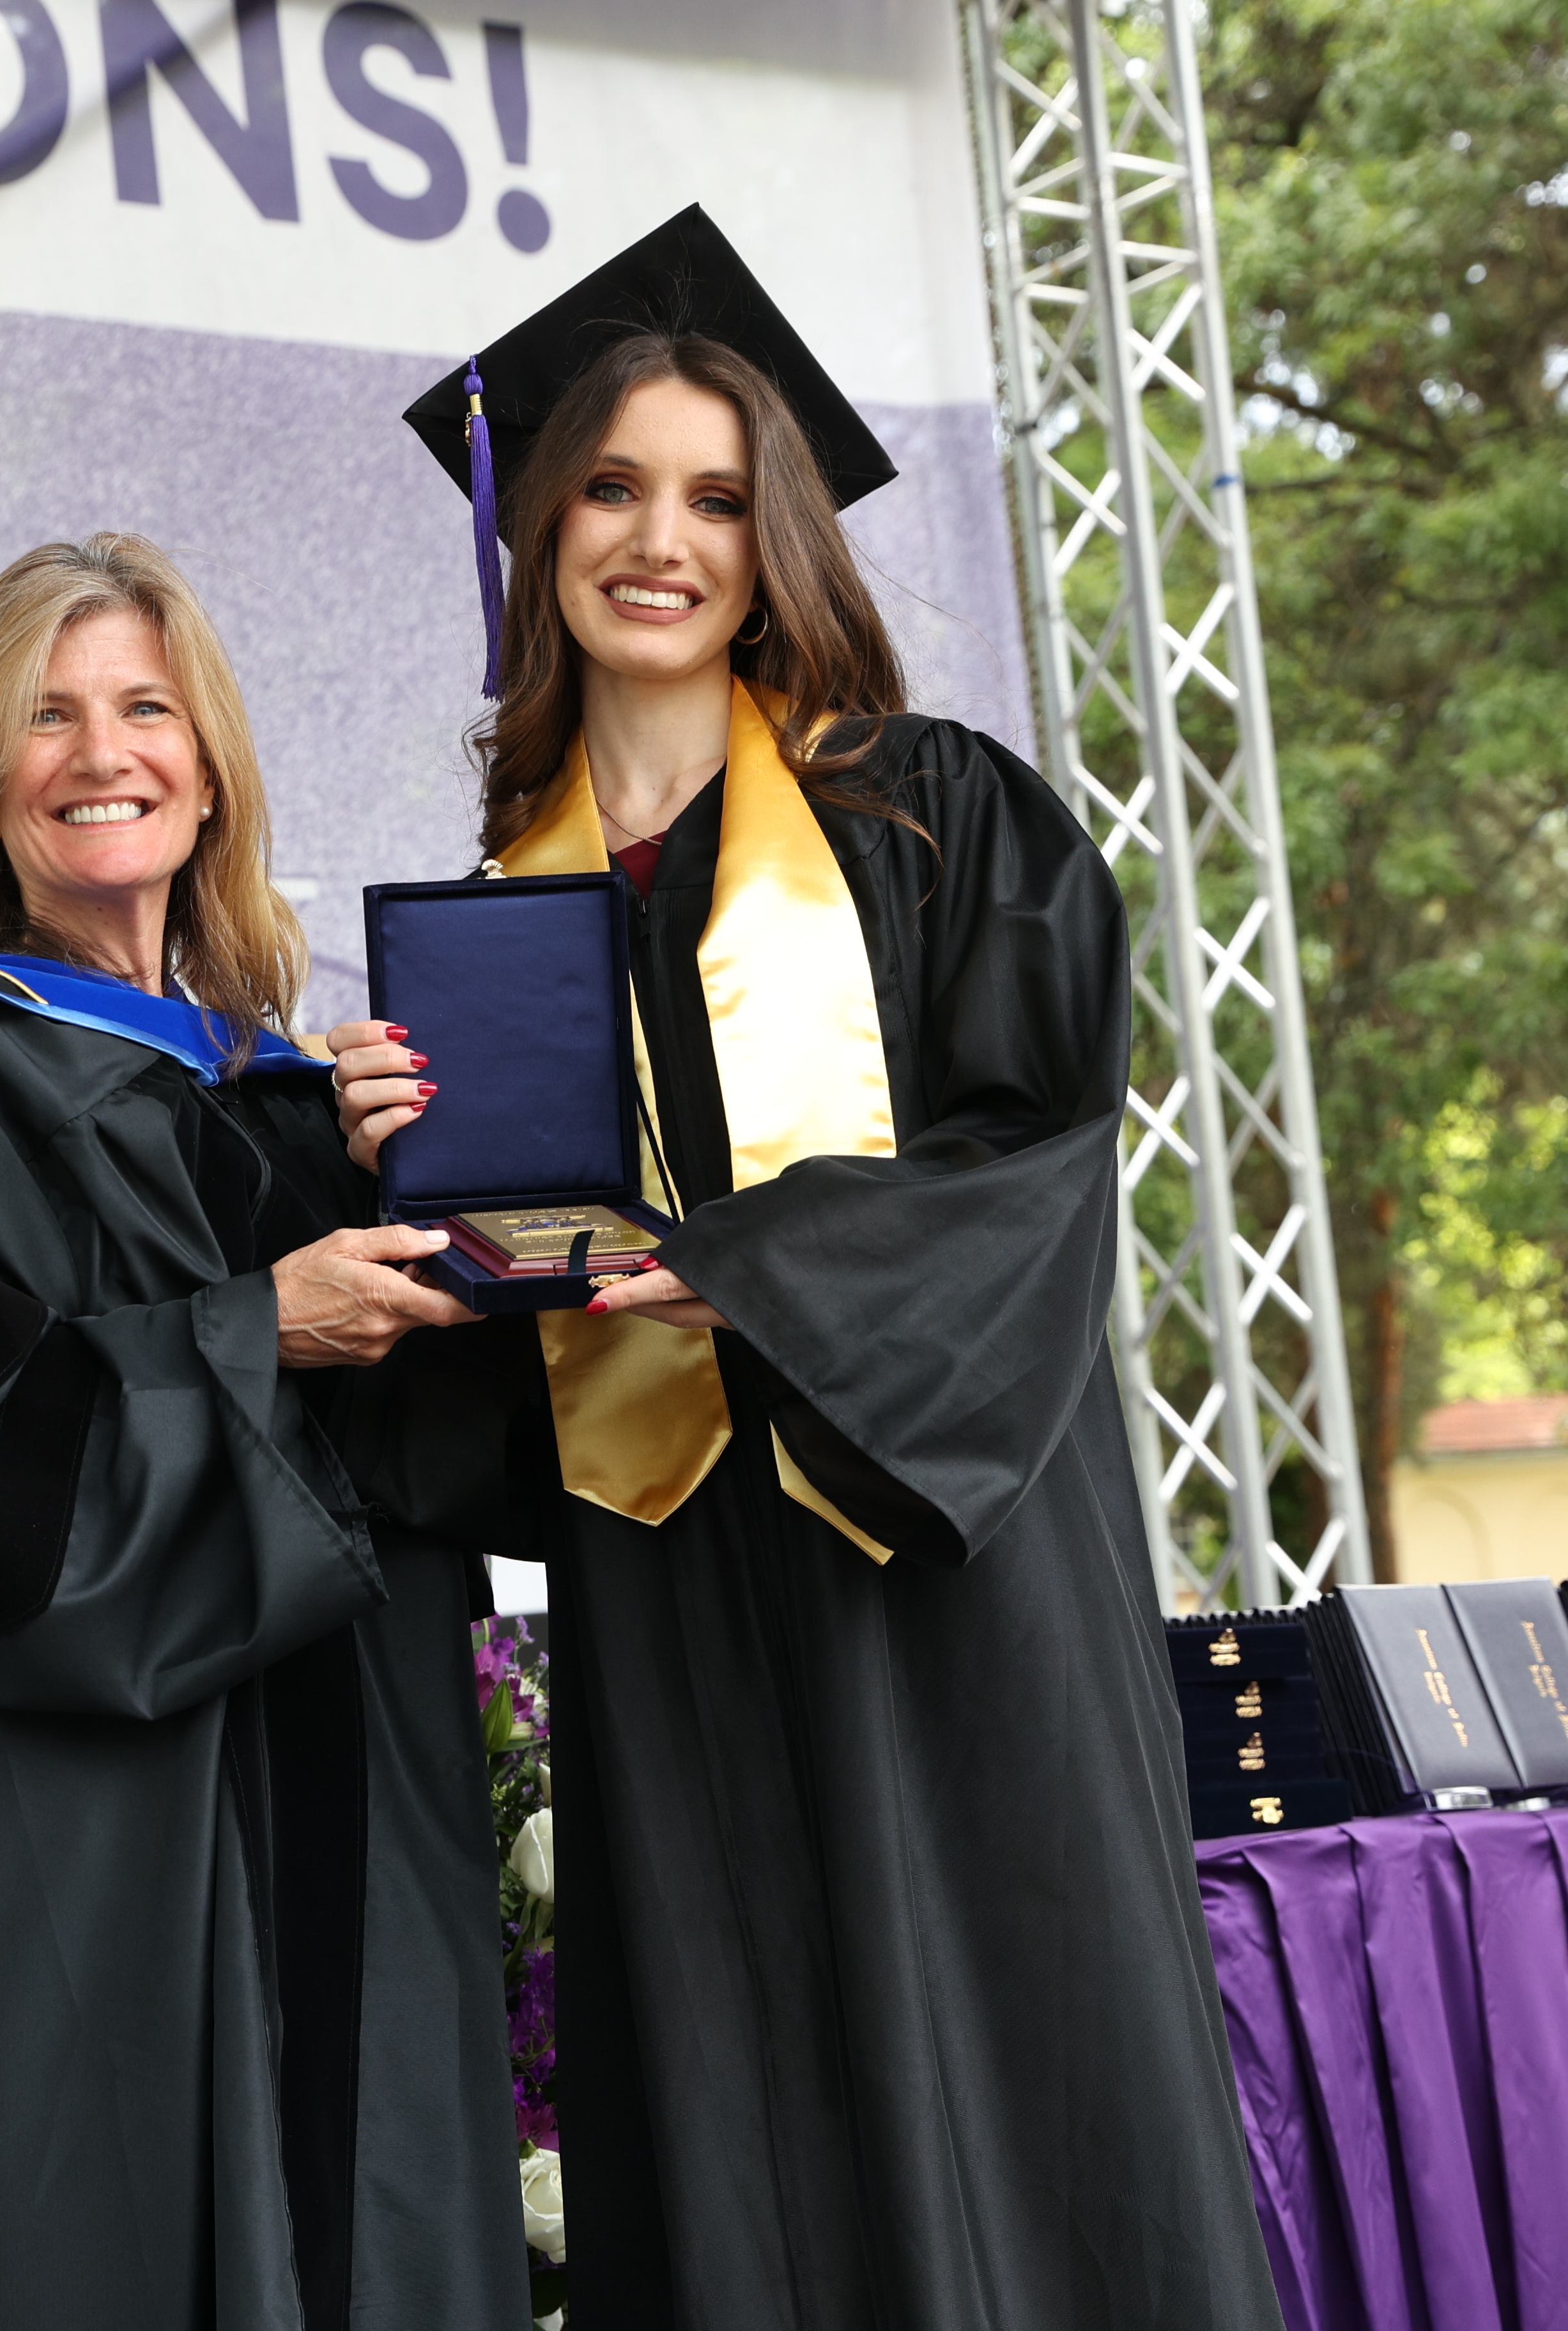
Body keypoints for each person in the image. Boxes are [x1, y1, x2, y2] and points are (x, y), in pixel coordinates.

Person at [333, 208, 1286, 2331]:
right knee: (740, 2095)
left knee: (1010, 2066)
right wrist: (394, 1171)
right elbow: (492, 1347)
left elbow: (1037, 1160)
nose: (656, 541)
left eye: (711, 497)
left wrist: (751, 1271)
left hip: (930, 1565)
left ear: (776, 545)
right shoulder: (496, 914)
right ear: (539, 524)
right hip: (674, 1589)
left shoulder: (937, 817)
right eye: (608, 487)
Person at [0, 534, 530, 2331]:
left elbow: (442, 1462)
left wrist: (428, 1182)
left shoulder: (274, 1089)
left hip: (351, 1820)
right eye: (46, 717)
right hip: (87, 1869)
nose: (101, 752)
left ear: (209, 773)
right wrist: (262, 1328)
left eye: (146, 708)